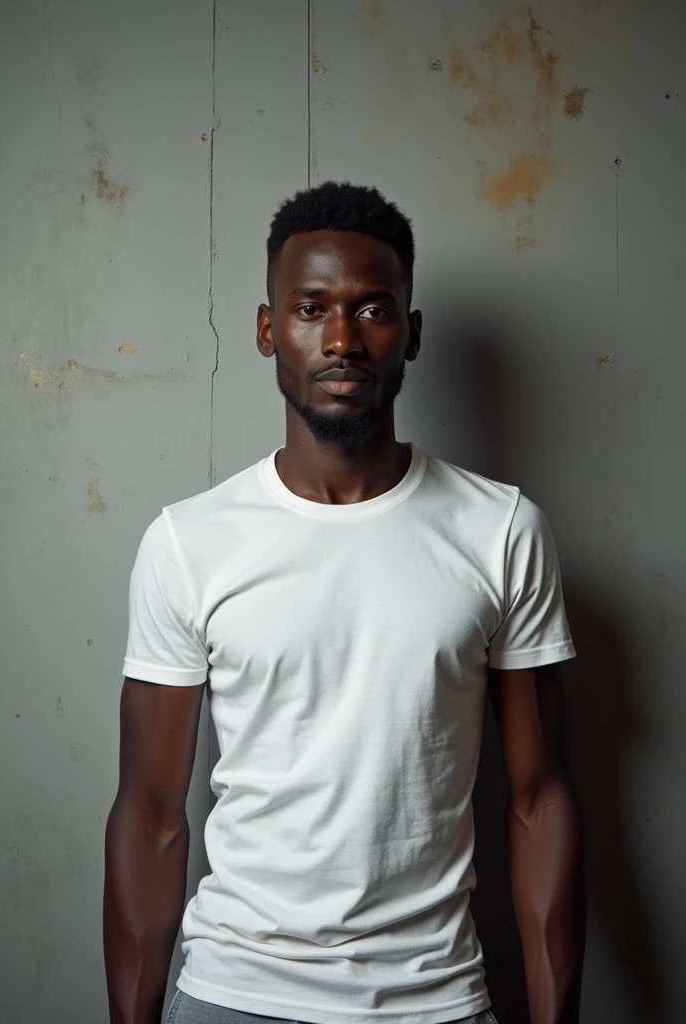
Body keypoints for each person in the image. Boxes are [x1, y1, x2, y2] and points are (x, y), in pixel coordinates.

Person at [104, 182, 583, 1024]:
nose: (340, 339)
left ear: (412, 334)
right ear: (267, 330)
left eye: (372, 310)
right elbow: (150, 815)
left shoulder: (503, 530)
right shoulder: (189, 542)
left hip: (434, 1000)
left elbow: (539, 796)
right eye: (310, 307)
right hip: (233, 991)